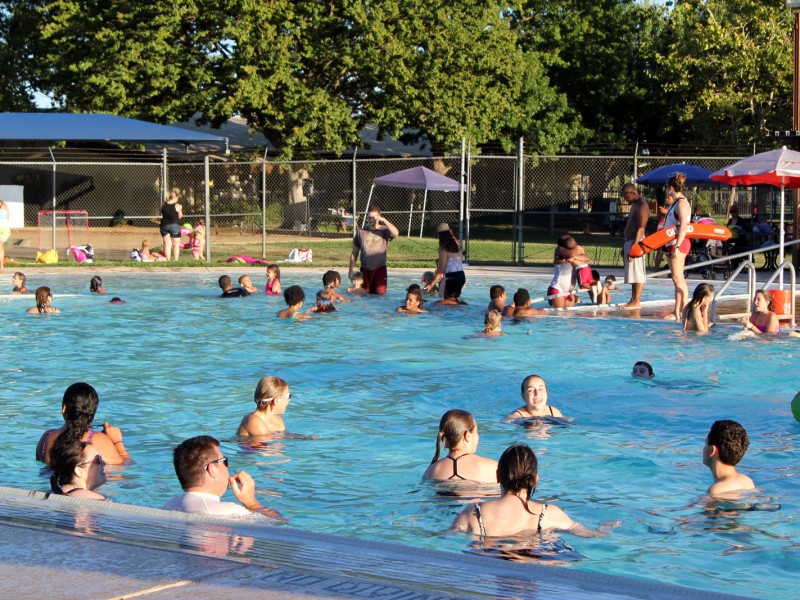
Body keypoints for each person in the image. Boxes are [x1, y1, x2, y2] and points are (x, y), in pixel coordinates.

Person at [450, 444, 617, 538]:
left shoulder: (474, 512)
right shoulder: (549, 514)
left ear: (497, 476)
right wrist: (605, 527)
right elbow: (591, 535)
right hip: (533, 571)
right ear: (535, 478)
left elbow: (445, 537)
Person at [163, 435, 285, 520]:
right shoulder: (227, 512)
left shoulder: (168, 506)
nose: (227, 467)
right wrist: (251, 502)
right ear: (212, 470)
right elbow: (277, 522)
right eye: (224, 461)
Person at [36, 382, 130, 466]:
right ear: (93, 412)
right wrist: (117, 442)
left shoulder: (46, 438)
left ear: (64, 408)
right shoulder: (97, 440)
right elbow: (122, 470)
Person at [423, 410, 498, 484]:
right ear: (467, 435)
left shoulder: (430, 471)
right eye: (476, 431)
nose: (478, 436)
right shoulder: (492, 468)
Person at [349, 205, 399, 295]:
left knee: (379, 294)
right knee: (363, 294)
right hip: (365, 269)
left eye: (373, 217)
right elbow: (354, 253)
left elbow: (395, 233)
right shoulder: (361, 232)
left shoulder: (384, 231)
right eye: (369, 217)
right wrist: (350, 270)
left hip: (379, 269)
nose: (371, 219)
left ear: (379, 217)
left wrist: (384, 220)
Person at [663, 173, 691, 320]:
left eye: (668, 187)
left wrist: (677, 246)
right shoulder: (675, 203)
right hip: (671, 244)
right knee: (677, 277)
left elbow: (684, 227)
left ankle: (679, 311)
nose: (666, 189)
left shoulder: (681, 203)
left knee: (677, 277)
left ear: (672, 188)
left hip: (678, 244)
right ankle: (681, 310)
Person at [703, 420, 755, 497]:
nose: (703, 449)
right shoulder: (747, 481)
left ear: (712, 450)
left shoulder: (716, 491)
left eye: (705, 443)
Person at [621, 183, 649, 309]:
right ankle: (633, 300)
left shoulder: (642, 206)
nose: (625, 199)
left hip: (636, 241)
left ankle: (636, 301)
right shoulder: (635, 205)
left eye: (626, 195)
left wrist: (634, 247)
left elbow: (641, 228)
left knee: (637, 273)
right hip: (630, 240)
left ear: (633, 193)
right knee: (632, 274)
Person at [425, 223, 465, 297]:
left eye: (438, 236)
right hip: (461, 276)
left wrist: (431, 285)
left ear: (441, 235)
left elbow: (441, 270)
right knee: (454, 301)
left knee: (443, 300)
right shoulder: (457, 244)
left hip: (450, 277)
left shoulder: (443, 248)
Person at [548, 235, 588, 308]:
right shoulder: (559, 249)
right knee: (559, 315)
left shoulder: (574, 251)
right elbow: (570, 255)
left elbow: (587, 258)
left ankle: (577, 299)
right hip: (557, 289)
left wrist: (576, 256)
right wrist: (578, 250)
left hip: (569, 291)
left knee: (569, 316)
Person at [160, 188, 183, 261]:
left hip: (164, 225)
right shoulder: (178, 206)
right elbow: (180, 216)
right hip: (175, 225)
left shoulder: (163, 205)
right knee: (176, 245)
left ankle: (168, 260)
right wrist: (180, 210)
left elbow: (161, 213)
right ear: (176, 197)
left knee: (167, 244)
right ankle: (175, 260)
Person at [0, 198, 10, 271]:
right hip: (5, 229)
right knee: (0, 247)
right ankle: (1, 265)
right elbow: (7, 218)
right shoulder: (5, 206)